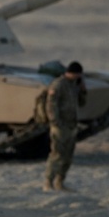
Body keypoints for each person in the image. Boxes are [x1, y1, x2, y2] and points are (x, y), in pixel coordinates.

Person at [44, 61, 87, 191]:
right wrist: (56, 123)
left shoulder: (74, 85)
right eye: (78, 75)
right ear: (73, 73)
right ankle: (48, 182)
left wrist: (82, 91)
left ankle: (60, 182)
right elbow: (51, 105)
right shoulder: (59, 84)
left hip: (71, 125)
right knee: (57, 154)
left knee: (68, 156)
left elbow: (81, 103)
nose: (79, 77)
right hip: (60, 125)